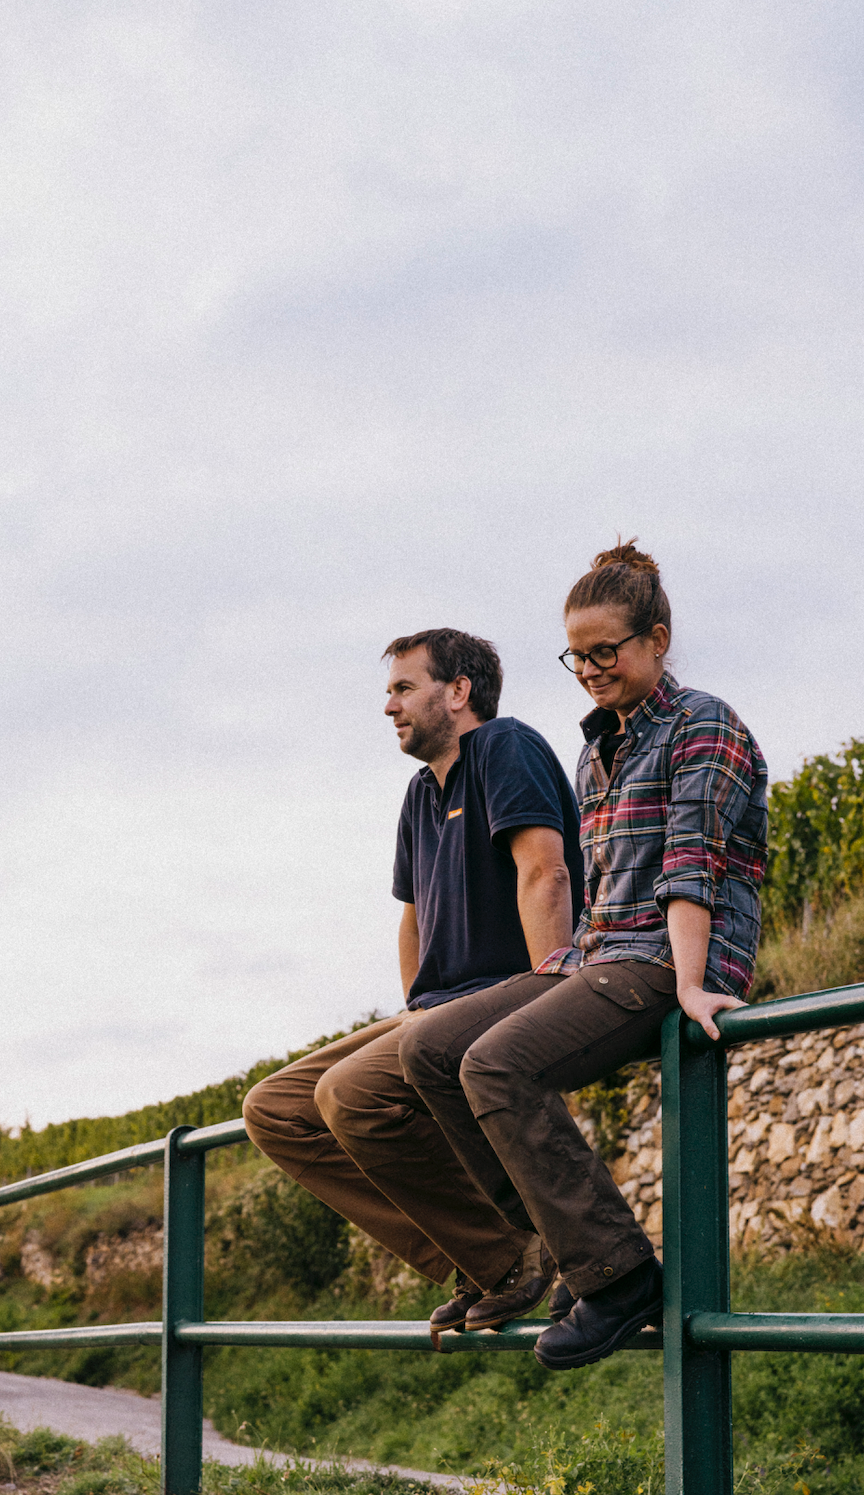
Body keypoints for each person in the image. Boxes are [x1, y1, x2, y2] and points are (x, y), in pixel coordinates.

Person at [397, 541, 769, 1369]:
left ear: (657, 640)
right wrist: (562, 962)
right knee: (429, 1051)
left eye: (608, 651)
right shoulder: (598, 746)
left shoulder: (703, 723)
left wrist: (693, 983)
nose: (591, 670)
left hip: (671, 957)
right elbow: (601, 883)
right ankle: (563, 1252)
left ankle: (617, 1275)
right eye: (578, 656)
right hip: (604, 954)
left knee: (496, 1064)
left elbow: (691, 863)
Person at [242, 627, 585, 1334]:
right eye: (389, 691)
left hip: (508, 994)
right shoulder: (420, 793)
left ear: (458, 691)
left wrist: (549, 1003)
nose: (389, 706)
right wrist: (414, 1010)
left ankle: (508, 1256)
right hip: (434, 1009)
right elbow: (414, 918)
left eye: (404, 688)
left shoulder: (505, 746)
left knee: (350, 1092)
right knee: (275, 1109)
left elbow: (545, 872)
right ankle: (482, 1255)